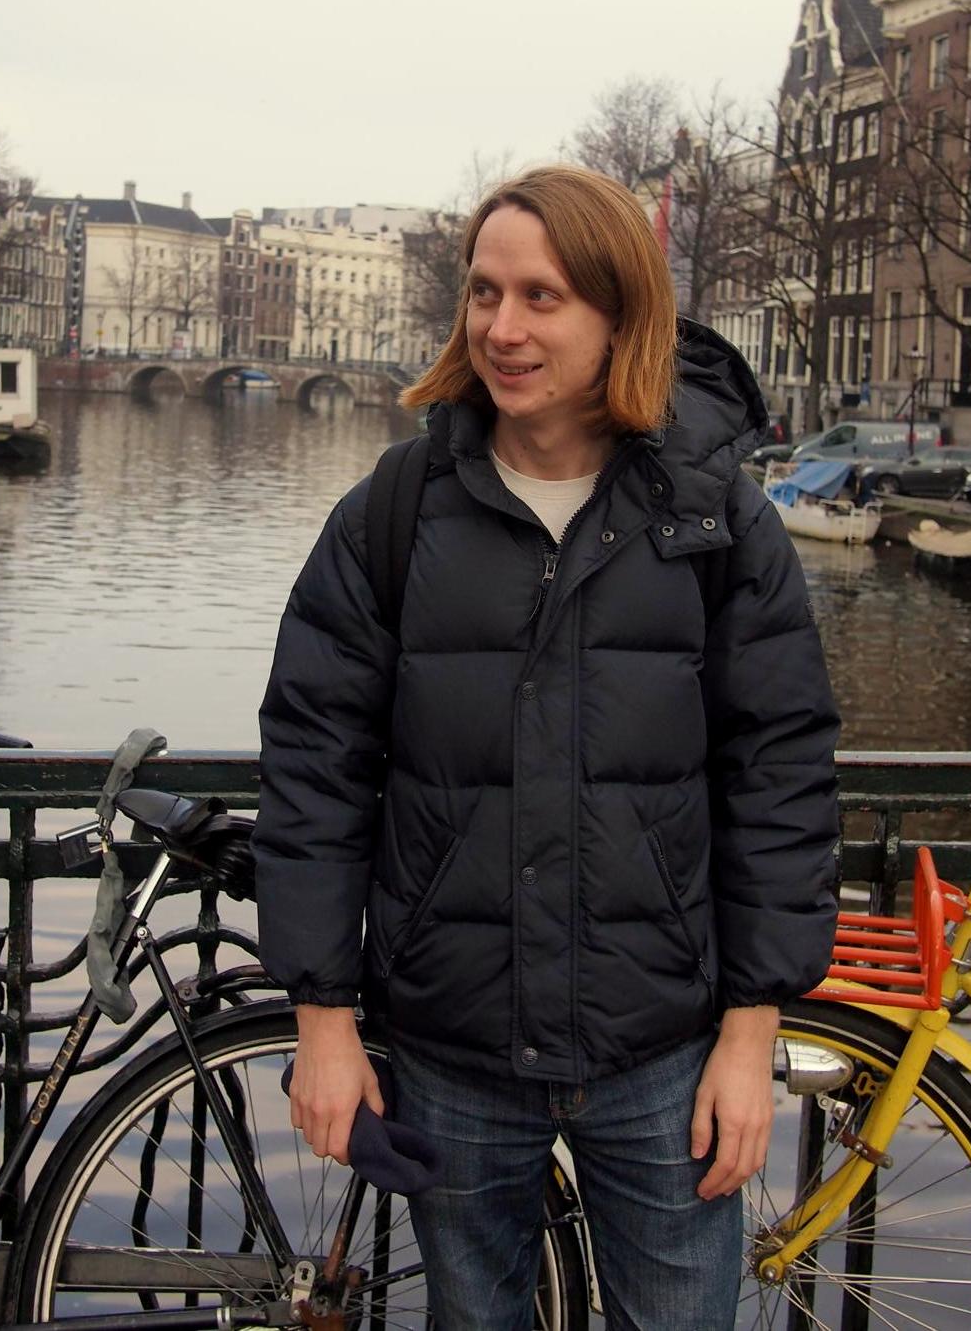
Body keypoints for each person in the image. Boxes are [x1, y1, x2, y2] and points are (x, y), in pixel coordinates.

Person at [252, 164, 839, 1330]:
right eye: (484, 291)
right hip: (455, 1044)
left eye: (541, 296)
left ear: (621, 315)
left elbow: (779, 774)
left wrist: (752, 1027)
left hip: (662, 1053)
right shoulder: (394, 513)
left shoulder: (719, 520)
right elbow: (316, 766)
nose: (502, 328)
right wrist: (323, 1017)